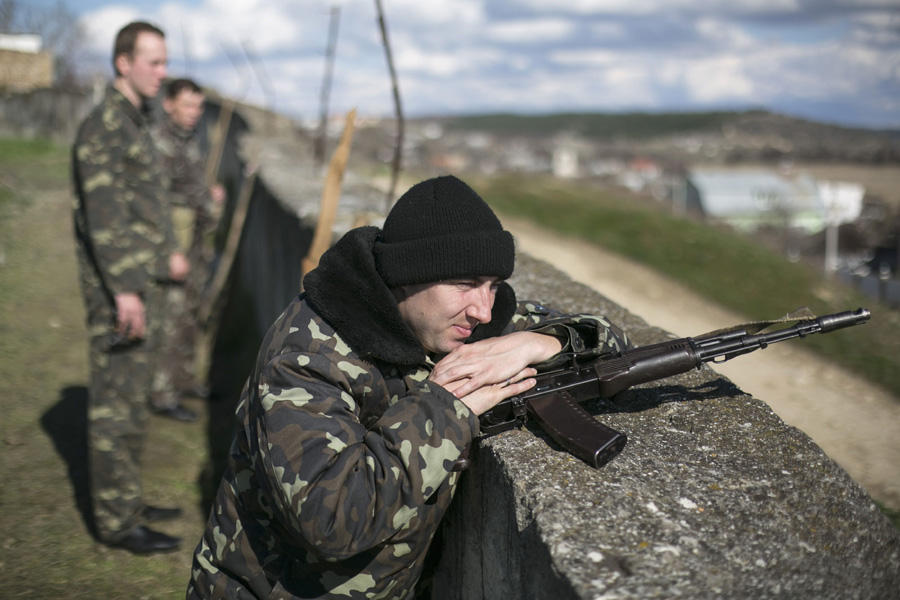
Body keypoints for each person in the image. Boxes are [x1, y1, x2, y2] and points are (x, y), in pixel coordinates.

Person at [186, 175, 629, 598]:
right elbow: (331, 519)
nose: (483, 308)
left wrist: (538, 341)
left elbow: (613, 339)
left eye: (494, 285)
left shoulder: (460, 320)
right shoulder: (307, 357)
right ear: (406, 276)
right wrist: (444, 409)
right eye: (465, 284)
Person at [72, 21, 187, 555]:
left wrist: (162, 260)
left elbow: (143, 207)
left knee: (134, 397)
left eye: (165, 62)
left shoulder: (133, 122)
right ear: (124, 63)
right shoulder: (104, 126)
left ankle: (128, 500)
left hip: (143, 283)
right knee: (116, 403)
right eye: (154, 62)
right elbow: (105, 218)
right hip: (122, 291)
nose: (162, 74)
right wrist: (125, 291)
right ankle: (116, 521)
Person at [149, 77, 226, 422]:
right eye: (188, 105)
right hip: (174, 247)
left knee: (189, 317)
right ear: (169, 104)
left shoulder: (189, 141)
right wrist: (170, 250)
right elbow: (155, 203)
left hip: (194, 245)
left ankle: (182, 380)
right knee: (170, 319)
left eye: (199, 105)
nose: (195, 112)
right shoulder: (161, 144)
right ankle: (162, 393)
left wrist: (209, 196)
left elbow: (189, 187)